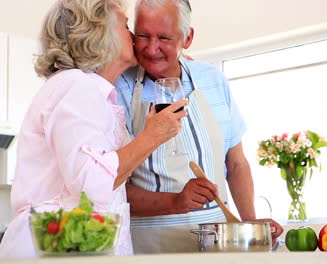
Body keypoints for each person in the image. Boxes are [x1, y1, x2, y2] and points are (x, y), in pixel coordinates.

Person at [0, 0, 188, 259]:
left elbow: (105, 178)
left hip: (74, 242)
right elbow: (91, 184)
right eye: (125, 26)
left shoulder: (88, 90)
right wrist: (153, 136)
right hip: (57, 245)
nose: (133, 36)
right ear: (103, 35)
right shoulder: (77, 87)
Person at [115, 0, 283, 253]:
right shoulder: (118, 89)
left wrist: (248, 221)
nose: (151, 49)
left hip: (215, 248)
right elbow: (111, 187)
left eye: (164, 37)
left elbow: (235, 163)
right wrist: (176, 201)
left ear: (188, 37)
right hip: (149, 249)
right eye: (142, 35)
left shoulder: (212, 79)